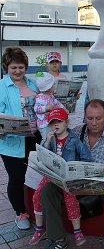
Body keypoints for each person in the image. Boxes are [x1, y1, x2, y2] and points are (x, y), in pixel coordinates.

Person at [40, 99, 104, 249]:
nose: (94, 123)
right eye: (90, 118)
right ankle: (57, 239)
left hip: (101, 185)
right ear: (85, 117)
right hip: (73, 184)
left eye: (98, 118)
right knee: (47, 190)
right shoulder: (75, 132)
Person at [29, 108, 91, 247]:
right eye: (53, 123)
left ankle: (77, 231)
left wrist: (77, 168)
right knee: (37, 196)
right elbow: (43, 155)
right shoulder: (50, 139)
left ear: (67, 122)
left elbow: (86, 157)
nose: (56, 125)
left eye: (59, 122)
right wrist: (46, 142)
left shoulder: (74, 140)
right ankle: (39, 229)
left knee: (70, 199)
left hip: (67, 176)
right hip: (52, 175)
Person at [0, 47, 42, 230]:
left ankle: (39, 205)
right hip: (11, 142)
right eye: (13, 68)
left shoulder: (33, 84)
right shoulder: (2, 87)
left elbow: (40, 106)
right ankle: (20, 213)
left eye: (21, 67)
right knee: (16, 178)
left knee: (39, 174)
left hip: (34, 137)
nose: (17, 71)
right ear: (6, 68)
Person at [34, 72, 65, 140]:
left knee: (51, 137)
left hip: (49, 122)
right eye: (53, 84)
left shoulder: (51, 96)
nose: (55, 85)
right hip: (43, 124)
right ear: (48, 87)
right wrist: (46, 108)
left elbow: (57, 103)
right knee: (46, 138)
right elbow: (36, 108)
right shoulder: (40, 97)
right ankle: (42, 149)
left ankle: (49, 148)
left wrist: (64, 109)